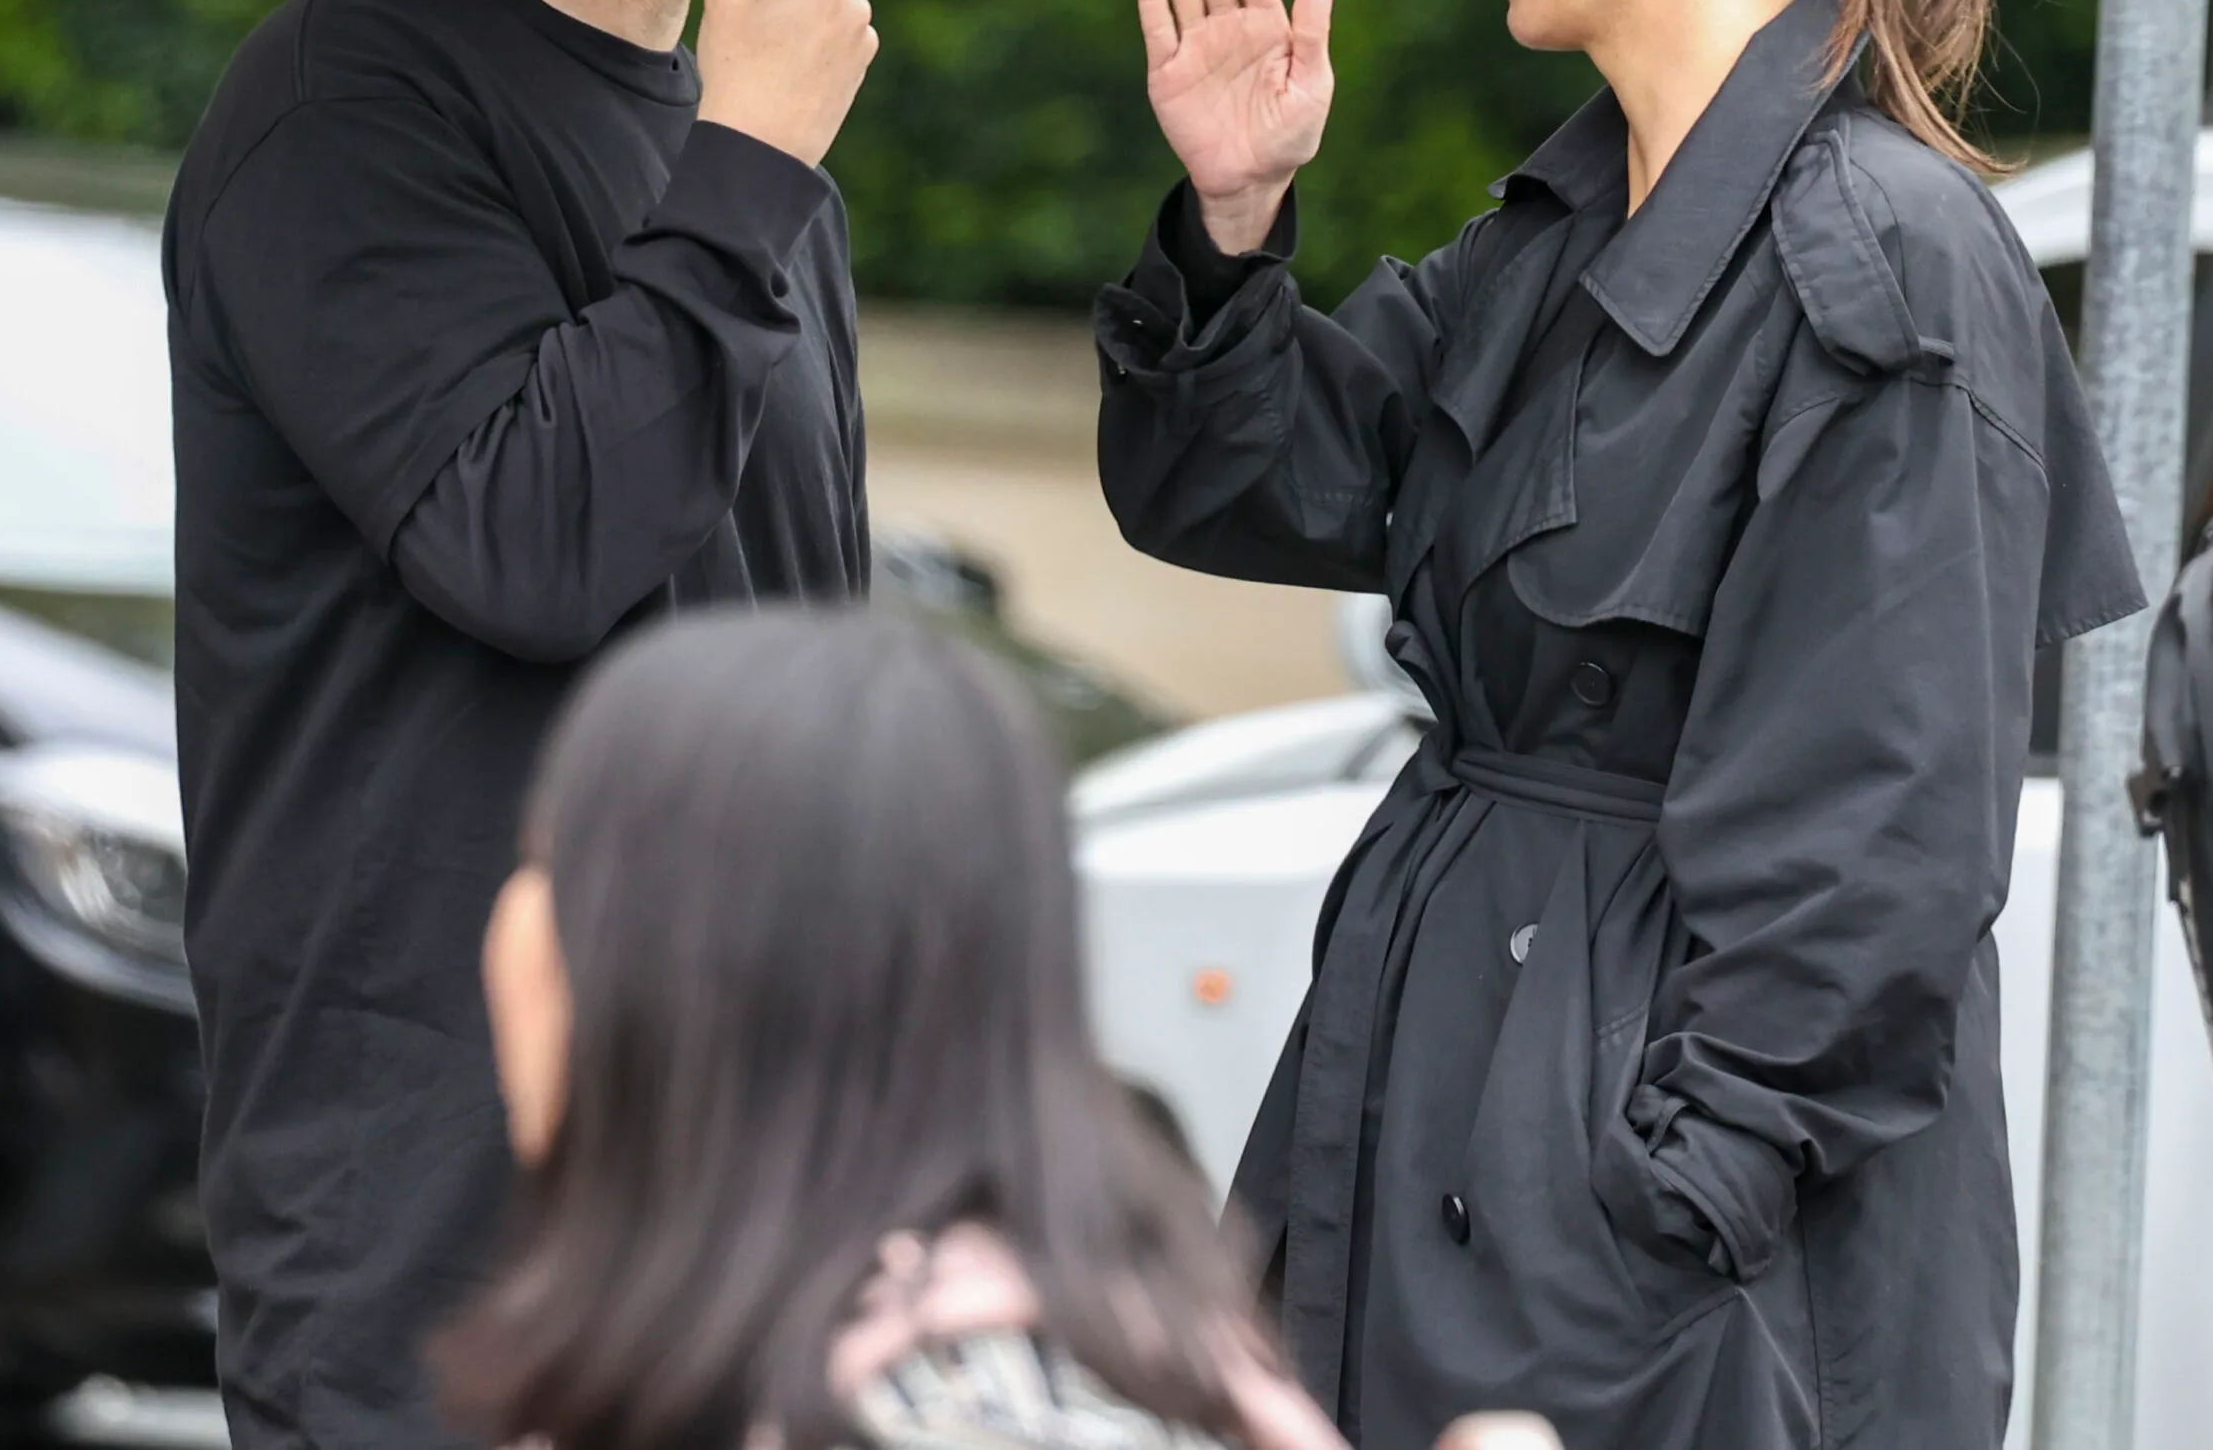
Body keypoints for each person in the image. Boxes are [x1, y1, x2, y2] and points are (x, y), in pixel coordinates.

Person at [1092, 0, 2144, 1450]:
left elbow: (1868, 871)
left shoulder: (1883, 272)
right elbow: (1264, 474)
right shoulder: (1555, 241)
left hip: (1665, 1283)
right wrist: (1237, 220)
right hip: (1432, 1154)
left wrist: (1652, 1220)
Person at [163, 0, 898, 1450]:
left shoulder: (744, 141)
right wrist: (747, 167)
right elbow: (538, 543)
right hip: (451, 1286)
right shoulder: (342, 109)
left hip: (747, 1247)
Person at [440, 601, 1560, 1450]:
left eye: (550, 865)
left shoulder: (961, 1411)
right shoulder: (790, 1353)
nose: (513, 924)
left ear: (700, 980)